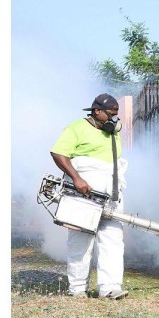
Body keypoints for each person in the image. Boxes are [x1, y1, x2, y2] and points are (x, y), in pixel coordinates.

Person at [50, 93, 129, 300]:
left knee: (113, 238)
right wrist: (76, 179)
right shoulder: (76, 128)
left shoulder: (111, 132)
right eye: (111, 114)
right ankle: (77, 288)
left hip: (111, 195)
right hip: (83, 195)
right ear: (97, 111)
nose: (114, 119)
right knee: (80, 240)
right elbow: (58, 153)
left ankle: (109, 287)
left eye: (116, 115)